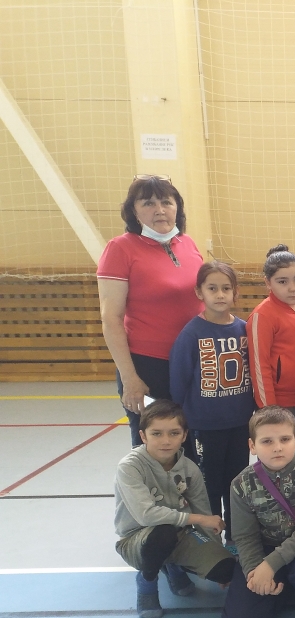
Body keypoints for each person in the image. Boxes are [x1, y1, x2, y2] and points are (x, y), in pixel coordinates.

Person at [98, 176, 204, 447]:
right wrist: (130, 378)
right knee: (155, 448)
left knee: (191, 445)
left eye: (166, 202)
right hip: (148, 366)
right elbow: (111, 319)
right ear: (133, 211)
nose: (159, 210)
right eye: (148, 203)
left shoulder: (188, 244)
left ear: (177, 207)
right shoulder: (120, 248)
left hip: (192, 362)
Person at [113, 400, 234, 618]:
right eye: (156, 433)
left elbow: (204, 513)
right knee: (163, 533)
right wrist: (198, 519)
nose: (166, 441)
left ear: (184, 435)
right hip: (138, 539)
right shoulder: (130, 466)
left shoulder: (189, 468)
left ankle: (172, 566)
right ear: (143, 436)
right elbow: (146, 515)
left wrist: (216, 554)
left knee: (228, 569)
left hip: (180, 535)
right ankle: (147, 582)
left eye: (174, 433)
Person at [221, 406, 295, 618]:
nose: (277, 447)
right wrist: (255, 573)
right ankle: (282, 588)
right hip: (266, 547)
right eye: (267, 441)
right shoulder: (241, 484)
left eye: (285, 439)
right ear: (252, 446)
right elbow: (245, 536)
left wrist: (271, 564)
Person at [170, 261, 254, 548]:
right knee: (208, 485)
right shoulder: (192, 333)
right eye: (212, 288)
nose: (220, 295)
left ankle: (235, 536)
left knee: (237, 482)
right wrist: (183, 421)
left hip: (239, 423)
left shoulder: (244, 329)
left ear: (235, 292)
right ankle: (211, 538)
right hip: (204, 426)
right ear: (199, 292)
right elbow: (179, 381)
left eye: (226, 288)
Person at [247, 245, 295, 450]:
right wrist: (269, 410)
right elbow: (259, 367)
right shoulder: (262, 315)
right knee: (281, 456)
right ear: (268, 283)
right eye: (282, 282)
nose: (293, 288)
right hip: (279, 403)